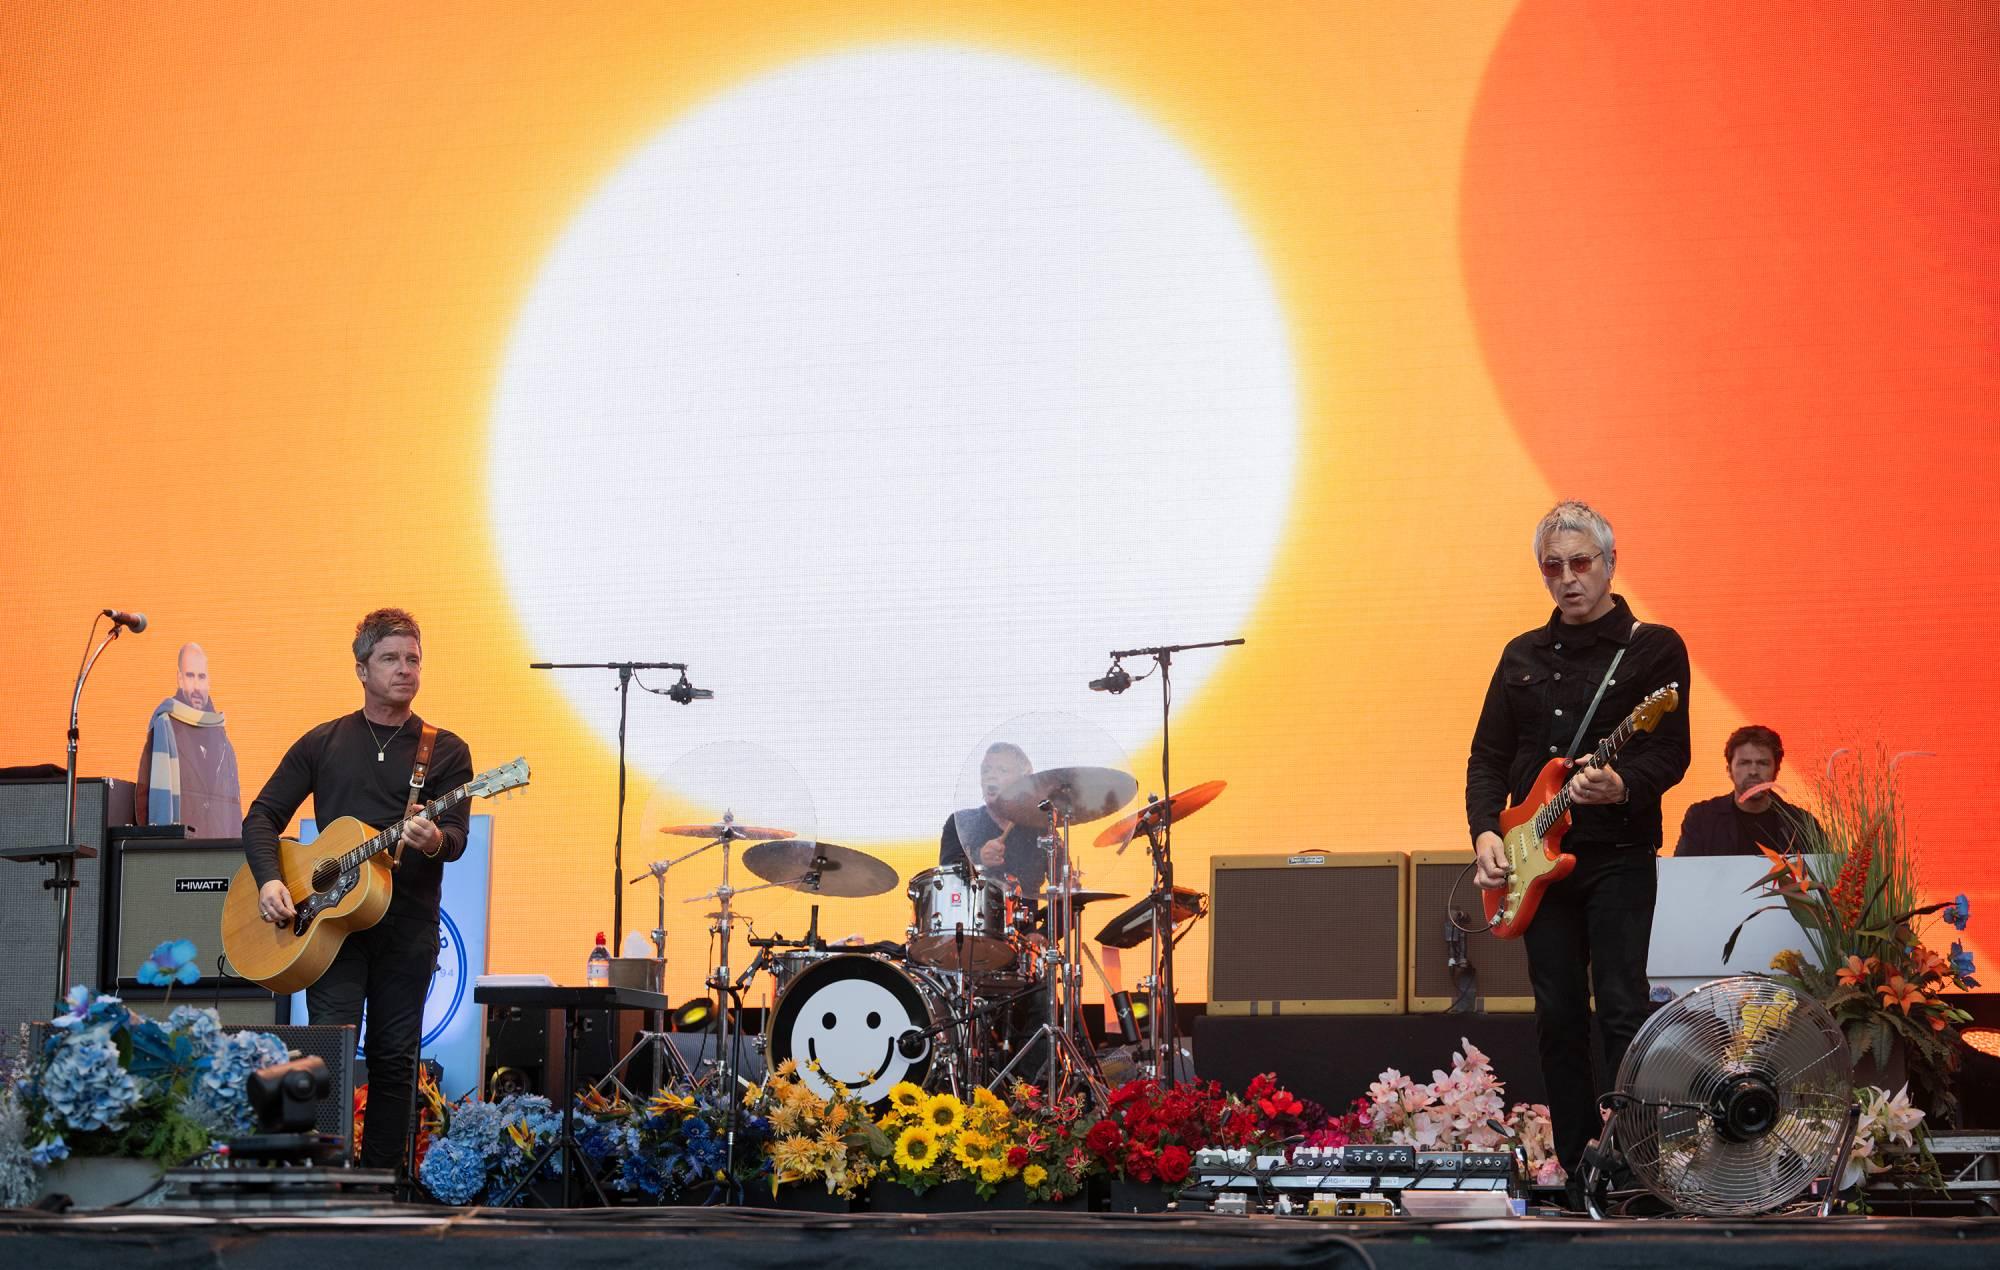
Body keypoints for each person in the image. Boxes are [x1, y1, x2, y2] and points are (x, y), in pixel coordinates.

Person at [1466, 501, 1691, 1184]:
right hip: (1537, 865)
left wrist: (1622, 784)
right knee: (1557, 1013)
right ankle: (1575, 1164)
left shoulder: (1653, 647)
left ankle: (1638, 1166)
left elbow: (1671, 754)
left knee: (1622, 1006)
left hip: (1618, 854)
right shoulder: (1521, 656)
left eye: (1581, 563)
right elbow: (1487, 756)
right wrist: (1484, 831)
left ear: (1610, 564)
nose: (1567, 578)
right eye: (1553, 566)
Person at [241, 609, 472, 1175]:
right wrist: (272, 877)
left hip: (408, 928)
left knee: (396, 1061)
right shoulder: (324, 742)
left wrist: (435, 837)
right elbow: (263, 816)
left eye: (413, 659)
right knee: (326, 1058)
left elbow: (458, 838)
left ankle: (383, 1186)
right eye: (391, 659)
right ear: (361, 669)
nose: (405, 670)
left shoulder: (445, 750)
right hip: (329, 929)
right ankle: (321, 1182)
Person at [136, 643, 244, 837]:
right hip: (181, 855)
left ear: (209, 681)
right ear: (179, 678)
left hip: (220, 856)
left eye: (201, 677)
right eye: (190, 676)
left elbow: (233, 810)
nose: (196, 686)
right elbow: (145, 801)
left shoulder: (224, 742)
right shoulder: (165, 729)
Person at [1675, 725, 1824, 857]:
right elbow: (1683, 876)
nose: (1753, 771)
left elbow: (1826, 882)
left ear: (1776, 770)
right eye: (1744, 763)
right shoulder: (1701, 819)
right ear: (1729, 770)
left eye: (1763, 763)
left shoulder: (1802, 824)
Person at [939, 741, 1049, 895]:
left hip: (1028, 917)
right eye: (986, 770)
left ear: (1023, 781)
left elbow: (1062, 884)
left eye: (1002, 770)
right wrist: (979, 859)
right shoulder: (961, 823)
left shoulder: (1039, 828)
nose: (991, 776)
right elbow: (946, 878)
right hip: (976, 917)